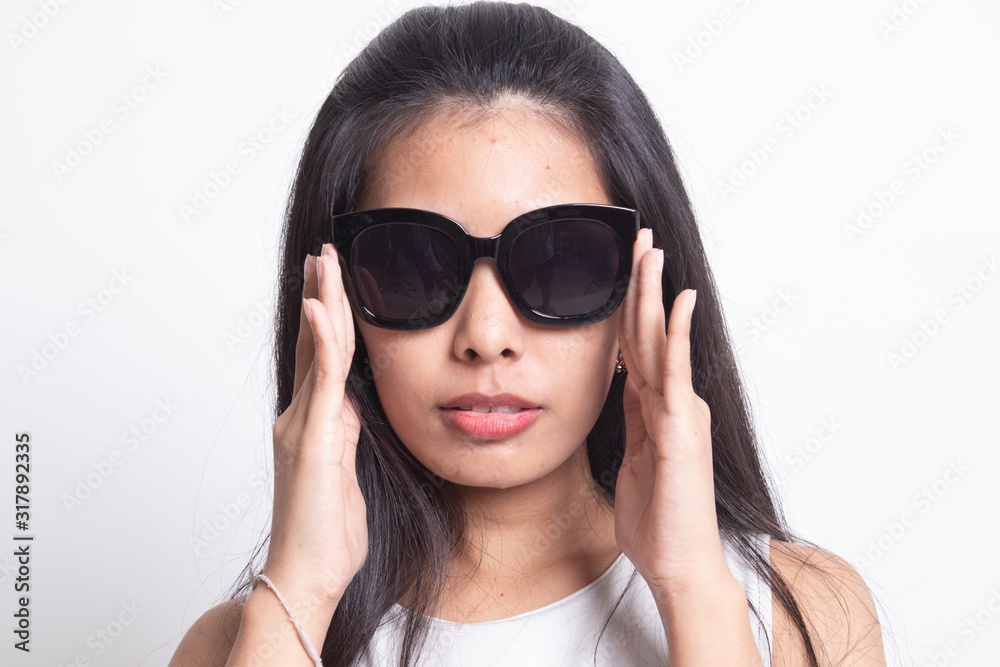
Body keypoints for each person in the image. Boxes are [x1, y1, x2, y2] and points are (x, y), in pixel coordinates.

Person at [170, 2, 886, 665]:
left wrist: (692, 587)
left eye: (562, 263)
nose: (486, 336)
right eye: (413, 265)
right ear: (338, 297)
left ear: (641, 292)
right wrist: (301, 589)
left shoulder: (797, 610)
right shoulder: (244, 641)